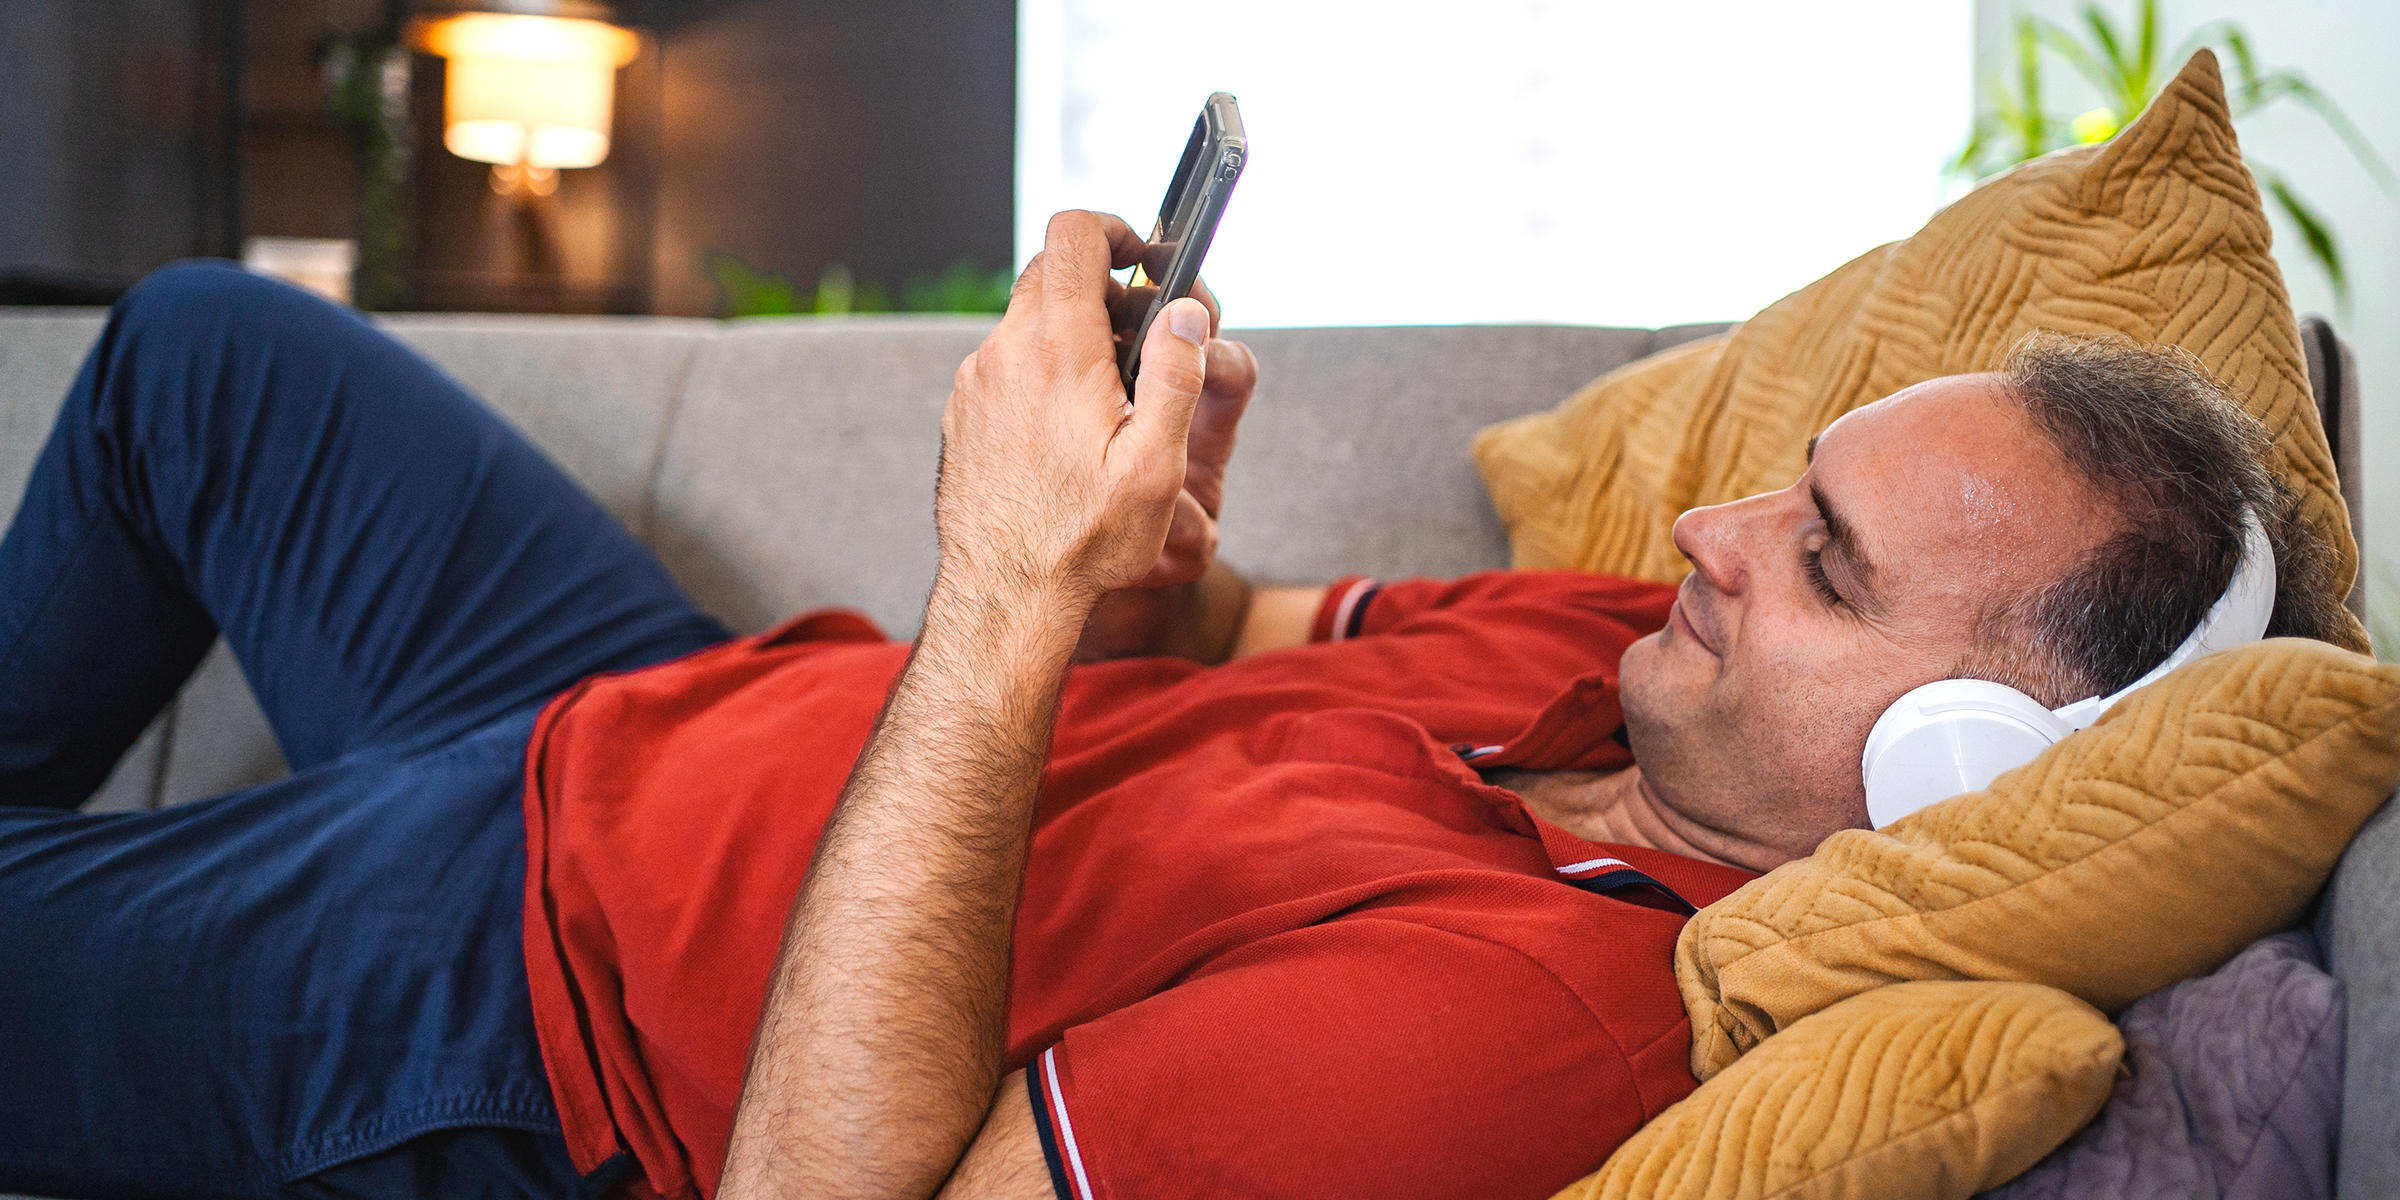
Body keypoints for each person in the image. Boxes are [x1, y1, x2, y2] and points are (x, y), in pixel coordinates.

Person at [0, 212, 2351, 1200]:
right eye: (1782, 494)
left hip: (538, 997)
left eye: (1820, 565)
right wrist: (1146, 551)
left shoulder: (1529, 1031)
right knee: (211, 351)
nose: (1717, 537)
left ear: (1956, 781)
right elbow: (1204, 667)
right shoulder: (1620, 666)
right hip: (669, 718)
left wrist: (1003, 590)